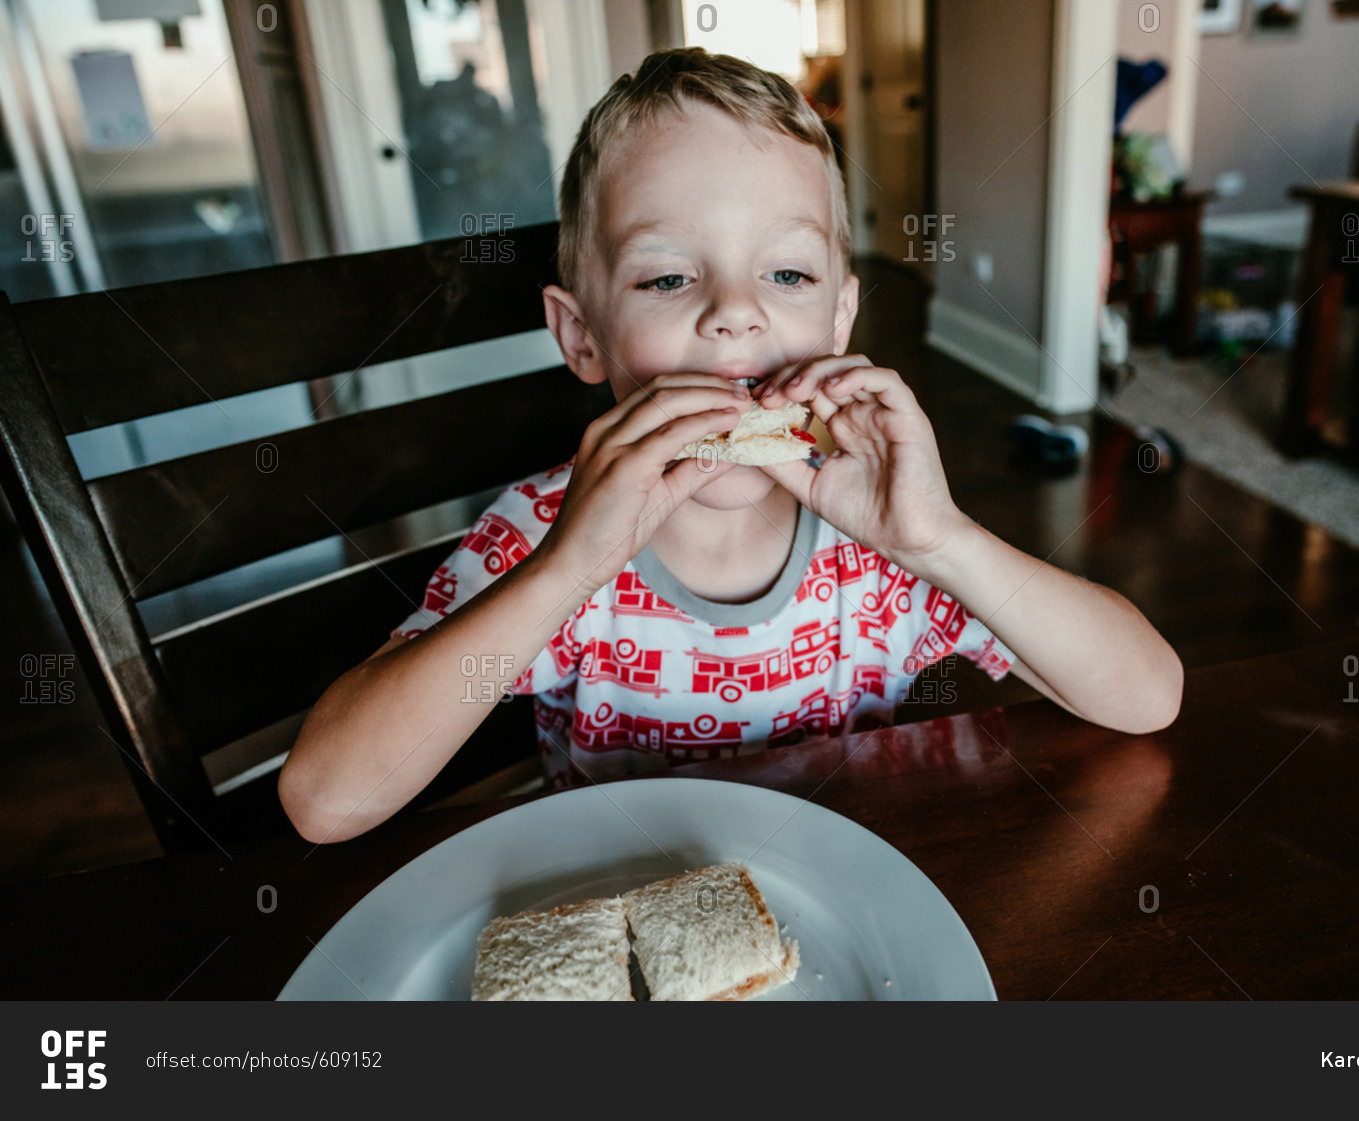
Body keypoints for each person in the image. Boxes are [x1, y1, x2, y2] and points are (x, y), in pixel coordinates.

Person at [278, 48, 1182, 844]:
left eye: (786, 273)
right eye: (668, 276)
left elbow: (1149, 696)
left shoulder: (886, 539)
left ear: (839, 318)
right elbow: (326, 801)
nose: (735, 312)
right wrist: (565, 571)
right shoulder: (551, 531)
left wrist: (940, 543)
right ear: (582, 334)